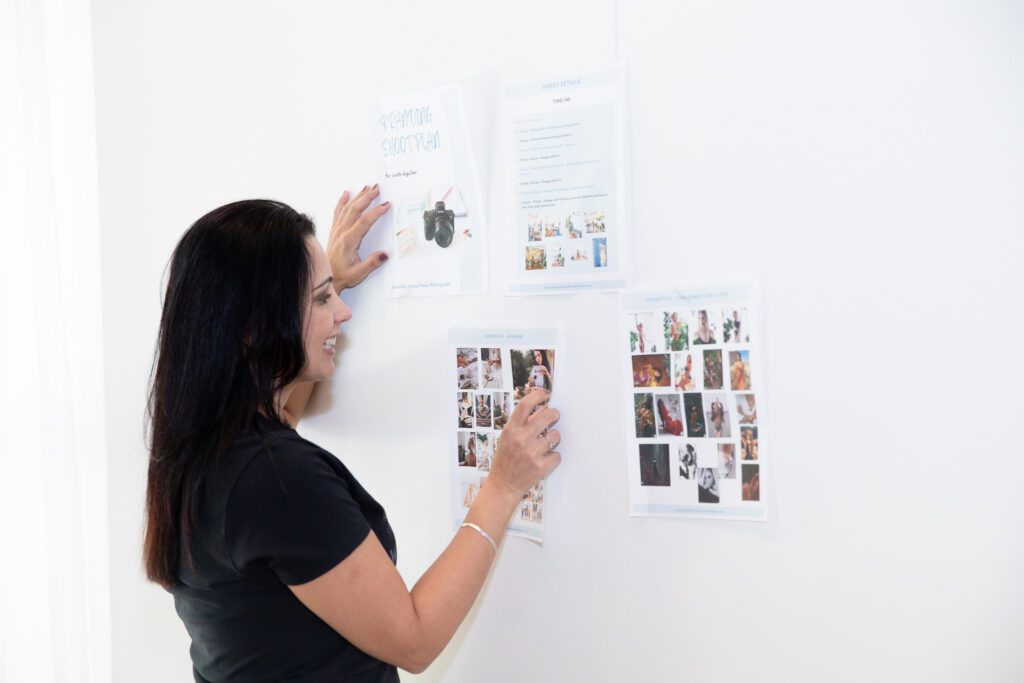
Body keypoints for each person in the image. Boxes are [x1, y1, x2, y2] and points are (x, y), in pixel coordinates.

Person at [144, 190, 563, 682]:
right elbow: (416, 639)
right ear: (258, 327)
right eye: (322, 300)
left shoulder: (206, 446)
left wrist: (328, 279)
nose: (342, 313)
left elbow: (281, 406)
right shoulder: (277, 481)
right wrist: (504, 485)